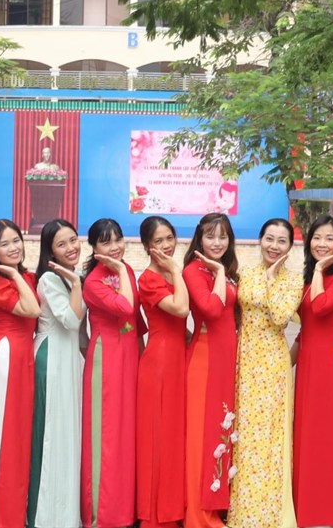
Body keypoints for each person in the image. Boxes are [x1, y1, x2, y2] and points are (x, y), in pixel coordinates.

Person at [228, 218, 304, 528]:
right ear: (260, 240)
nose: (274, 246)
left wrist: (271, 279)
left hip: (272, 365)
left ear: (289, 247)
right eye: (269, 238)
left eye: (281, 241)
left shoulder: (294, 280)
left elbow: (280, 317)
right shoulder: (245, 273)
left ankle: (269, 514)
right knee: (244, 435)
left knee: (271, 437)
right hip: (244, 360)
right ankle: (242, 511)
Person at [81, 218, 145, 528]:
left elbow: (138, 321)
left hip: (130, 354)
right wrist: (119, 269)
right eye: (106, 242)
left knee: (128, 432)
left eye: (118, 239)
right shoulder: (93, 282)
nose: (115, 246)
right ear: (93, 247)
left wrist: (144, 355)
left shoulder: (127, 270)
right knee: (106, 433)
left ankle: (126, 509)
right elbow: (125, 308)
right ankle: (102, 514)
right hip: (106, 359)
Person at [292, 216, 333, 528]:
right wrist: (283, 363)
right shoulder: (305, 278)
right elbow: (304, 327)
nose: (322, 244)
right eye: (317, 237)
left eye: (330, 238)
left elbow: (319, 307)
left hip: (330, 363)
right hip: (307, 362)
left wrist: (318, 270)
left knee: (326, 436)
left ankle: (327, 514)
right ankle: (306, 510)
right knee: (306, 435)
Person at [0, 219, 41, 528]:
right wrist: (15, 275)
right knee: (5, 434)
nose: (13, 247)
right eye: (4, 244)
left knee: (21, 435)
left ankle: (17, 512)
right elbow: (32, 311)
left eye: (16, 240)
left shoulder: (29, 276)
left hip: (26, 355)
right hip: (7, 356)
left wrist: (20, 275)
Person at [27, 219, 85, 528]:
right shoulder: (50, 279)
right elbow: (71, 321)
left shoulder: (72, 277)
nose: (71, 247)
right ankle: (44, 516)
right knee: (51, 434)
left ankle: (66, 515)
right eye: (62, 244)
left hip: (70, 358)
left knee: (68, 434)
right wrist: (76, 284)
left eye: (73, 240)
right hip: (51, 359)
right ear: (50, 251)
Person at [182, 213, 239, 528]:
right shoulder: (194, 270)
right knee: (201, 437)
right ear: (199, 238)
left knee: (221, 431)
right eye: (210, 236)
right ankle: (198, 514)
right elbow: (212, 309)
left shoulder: (226, 271)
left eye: (223, 236)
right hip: (204, 361)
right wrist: (218, 272)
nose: (217, 243)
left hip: (226, 360)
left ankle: (215, 507)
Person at [135, 216, 189, 528]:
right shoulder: (149, 279)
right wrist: (176, 271)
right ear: (147, 246)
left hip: (179, 357)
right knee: (159, 435)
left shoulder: (170, 274)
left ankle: (175, 508)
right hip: (160, 362)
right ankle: (157, 514)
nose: (166, 245)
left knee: (176, 435)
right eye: (158, 241)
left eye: (169, 238)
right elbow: (181, 309)